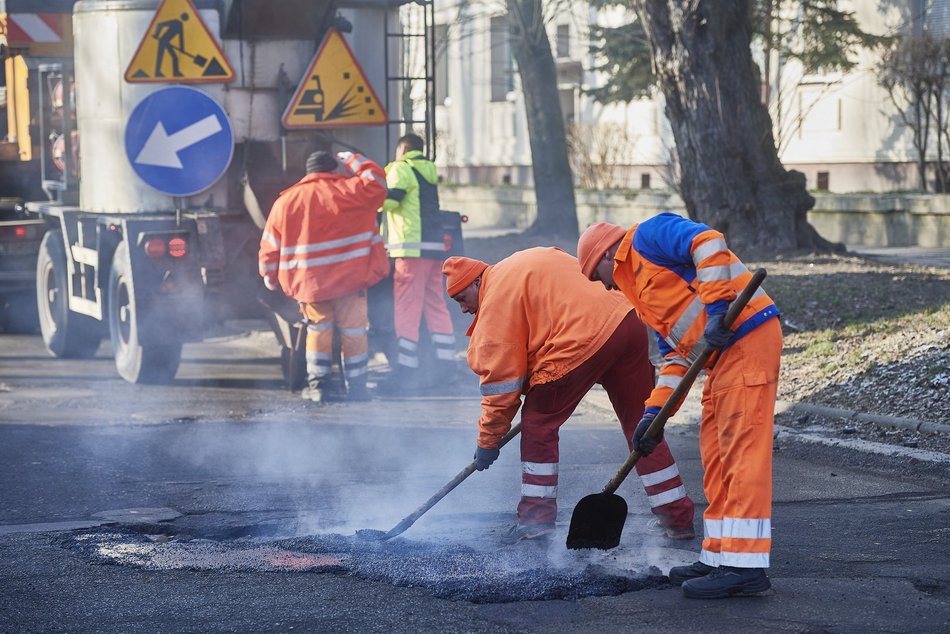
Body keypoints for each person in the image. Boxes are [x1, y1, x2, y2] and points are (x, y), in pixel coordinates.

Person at [576, 214, 781, 599]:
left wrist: (719, 308)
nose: (603, 286)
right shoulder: (641, 295)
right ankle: (719, 556)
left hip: (747, 336)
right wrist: (654, 414)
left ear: (605, 257)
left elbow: (707, 240)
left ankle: (745, 567)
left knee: (741, 456)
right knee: (717, 457)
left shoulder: (648, 236)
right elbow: (677, 358)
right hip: (722, 357)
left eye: (597, 277)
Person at [442, 248, 695, 545]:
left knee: (539, 426)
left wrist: (487, 442)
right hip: (626, 320)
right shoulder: (525, 260)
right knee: (643, 425)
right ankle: (677, 519)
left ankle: (536, 521)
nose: (463, 310)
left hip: (580, 339)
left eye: (461, 299)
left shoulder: (495, 303)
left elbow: (502, 389)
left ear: (476, 282)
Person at [259, 150, 388, 403]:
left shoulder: (286, 202)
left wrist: (270, 277)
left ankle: (319, 387)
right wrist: (351, 157)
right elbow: (378, 182)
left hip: (311, 285)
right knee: (354, 333)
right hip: (352, 280)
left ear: (308, 174)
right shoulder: (354, 191)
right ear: (334, 171)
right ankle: (358, 389)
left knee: (319, 331)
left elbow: (270, 247)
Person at [377, 133, 456, 392]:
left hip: (410, 251)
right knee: (435, 303)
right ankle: (446, 366)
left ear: (403, 149)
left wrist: (368, 196)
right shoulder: (428, 170)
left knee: (407, 306)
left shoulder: (401, 169)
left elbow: (390, 201)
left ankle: (405, 368)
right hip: (434, 249)